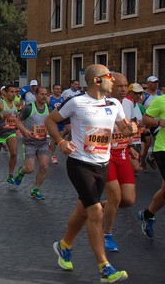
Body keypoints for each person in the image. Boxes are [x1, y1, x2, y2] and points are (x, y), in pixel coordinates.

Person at [46, 64, 135, 283]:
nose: (113, 81)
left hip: (102, 164)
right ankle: (105, 267)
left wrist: (131, 129)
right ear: (97, 80)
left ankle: (64, 246)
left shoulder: (114, 104)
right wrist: (60, 141)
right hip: (79, 164)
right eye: (110, 77)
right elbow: (50, 120)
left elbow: (123, 129)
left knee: (83, 210)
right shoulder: (76, 102)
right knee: (95, 211)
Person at [101, 73, 139, 253]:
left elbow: (126, 127)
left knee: (128, 199)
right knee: (115, 197)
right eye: (120, 86)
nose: (124, 89)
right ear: (111, 86)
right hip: (105, 155)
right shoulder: (100, 103)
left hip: (123, 153)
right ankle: (107, 234)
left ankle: (97, 207)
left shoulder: (129, 104)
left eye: (126, 86)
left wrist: (130, 145)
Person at [14, 86, 51, 199]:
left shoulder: (48, 107)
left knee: (44, 167)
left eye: (46, 94)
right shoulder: (29, 108)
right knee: (30, 169)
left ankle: (35, 189)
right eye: (42, 94)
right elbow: (17, 120)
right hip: (30, 142)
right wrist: (24, 130)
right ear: (36, 95)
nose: (44, 96)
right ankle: (21, 171)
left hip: (43, 142)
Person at [138, 86, 165, 239]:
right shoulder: (161, 101)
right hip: (163, 149)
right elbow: (145, 119)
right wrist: (159, 121)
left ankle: (147, 214)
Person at [48, 83, 66, 164]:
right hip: (53, 122)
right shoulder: (49, 99)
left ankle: (50, 145)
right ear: (53, 90)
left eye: (60, 89)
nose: (59, 90)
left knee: (59, 138)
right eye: (57, 89)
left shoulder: (63, 99)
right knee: (53, 138)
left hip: (61, 122)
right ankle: (53, 156)